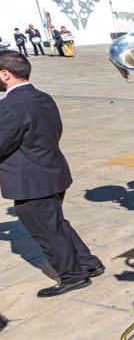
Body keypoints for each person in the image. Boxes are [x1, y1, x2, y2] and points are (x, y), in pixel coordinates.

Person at [0, 52, 105, 297]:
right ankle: (88, 263)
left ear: (5, 74)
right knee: (56, 223)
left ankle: (73, 275)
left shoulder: (9, 106)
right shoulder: (41, 97)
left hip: (30, 179)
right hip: (52, 171)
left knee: (46, 230)